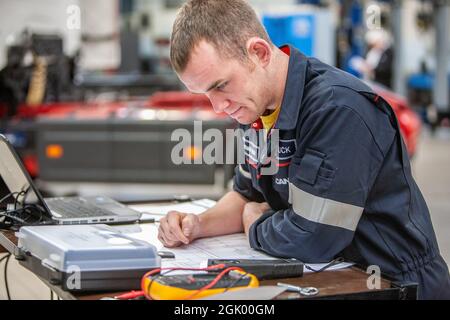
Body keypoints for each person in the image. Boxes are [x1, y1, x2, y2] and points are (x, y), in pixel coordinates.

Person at [158, 0, 450, 299]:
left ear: (258, 53)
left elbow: (313, 236)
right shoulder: (256, 108)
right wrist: (196, 225)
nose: (218, 107)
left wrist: (256, 223)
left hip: (393, 284)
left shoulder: (338, 110)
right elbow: (247, 195)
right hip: (331, 281)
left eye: (220, 86)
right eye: (205, 93)